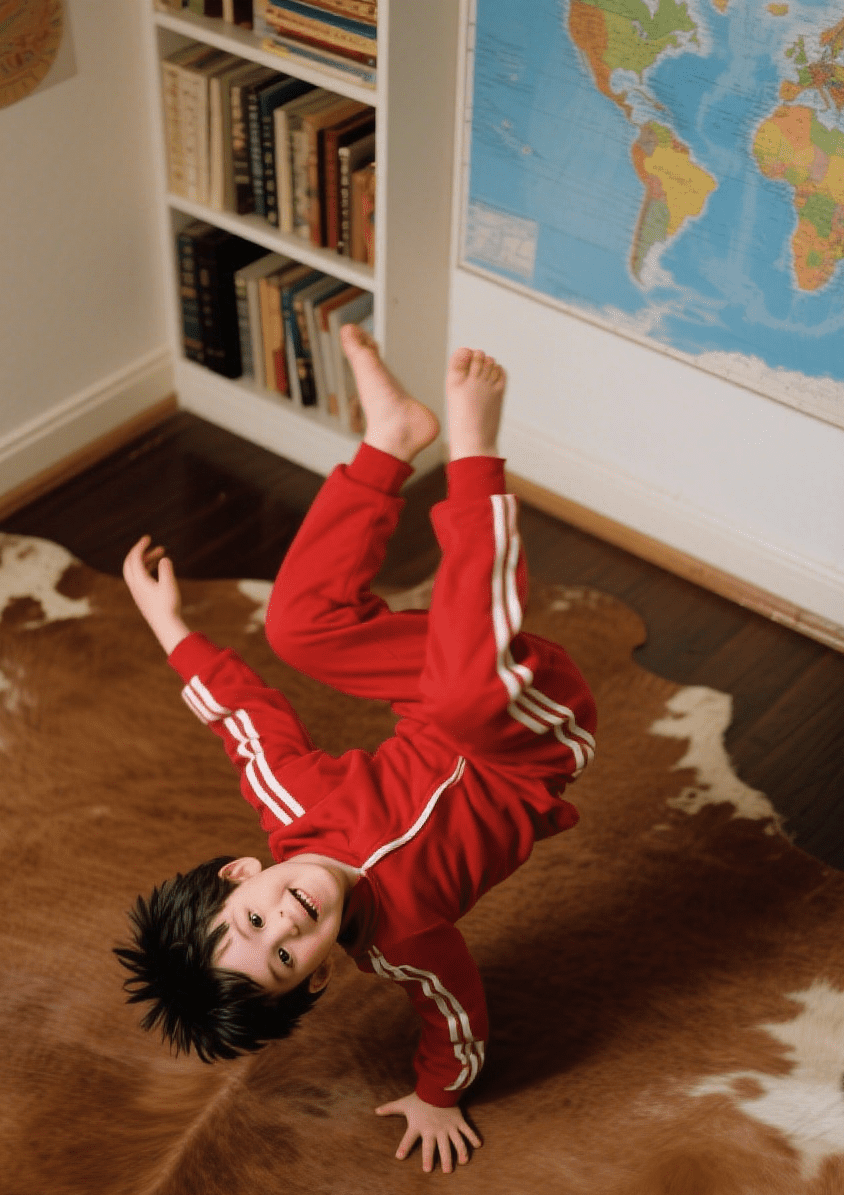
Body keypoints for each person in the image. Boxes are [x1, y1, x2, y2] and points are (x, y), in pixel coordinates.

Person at [116, 326, 597, 1173]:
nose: (286, 927)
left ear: (240, 871)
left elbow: (240, 720)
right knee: (460, 692)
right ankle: (475, 457)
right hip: (532, 739)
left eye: (256, 920)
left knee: (298, 627)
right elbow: (456, 1013)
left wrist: (169, 627)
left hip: (441, 694)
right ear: (313, 980)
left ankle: (392, 439)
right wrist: (437, 1093)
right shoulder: (401, 940)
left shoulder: (290, 806)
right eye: (284, 959)